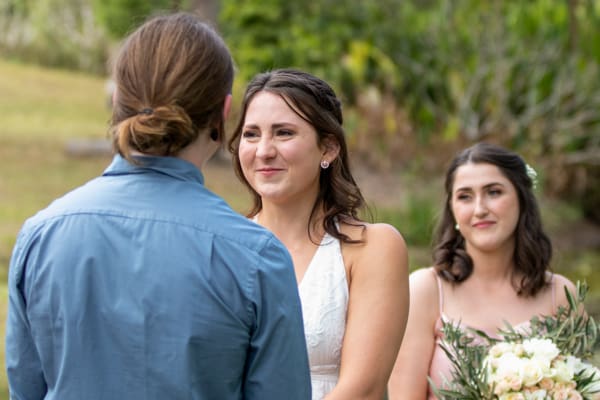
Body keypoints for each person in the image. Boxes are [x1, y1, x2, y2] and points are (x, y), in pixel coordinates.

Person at [6, 13, 311, 400]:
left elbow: (25, 389)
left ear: (117, 101)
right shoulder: (256, 257)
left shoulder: (39, 237)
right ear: (224, 112)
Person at [228, 68, 410, 400]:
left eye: (283, 133)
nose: (264, 150)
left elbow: (364, 389)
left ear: (328, 148)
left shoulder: (373, 248)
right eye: (251, 134)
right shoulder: (224, 245)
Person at [387, 142, 576, 400]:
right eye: (465, 196)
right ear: (453, 209)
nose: (479, 209)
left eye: (494, 192)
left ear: (522, 200)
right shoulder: (426, 290)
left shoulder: (560, 294)